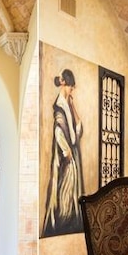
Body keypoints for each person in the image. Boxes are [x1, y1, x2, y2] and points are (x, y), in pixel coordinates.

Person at [42, 68, 85, 237]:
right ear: (65, 85)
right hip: (65, 156)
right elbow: (58, 131)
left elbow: (78, 129)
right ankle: (61, 222)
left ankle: (70, 222)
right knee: (64, 190)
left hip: (71, 154)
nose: (72, 90)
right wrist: (66, 152)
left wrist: (73, 106)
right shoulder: (59, 106)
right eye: (71, 87)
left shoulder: (67, 104)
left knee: (72, 190)